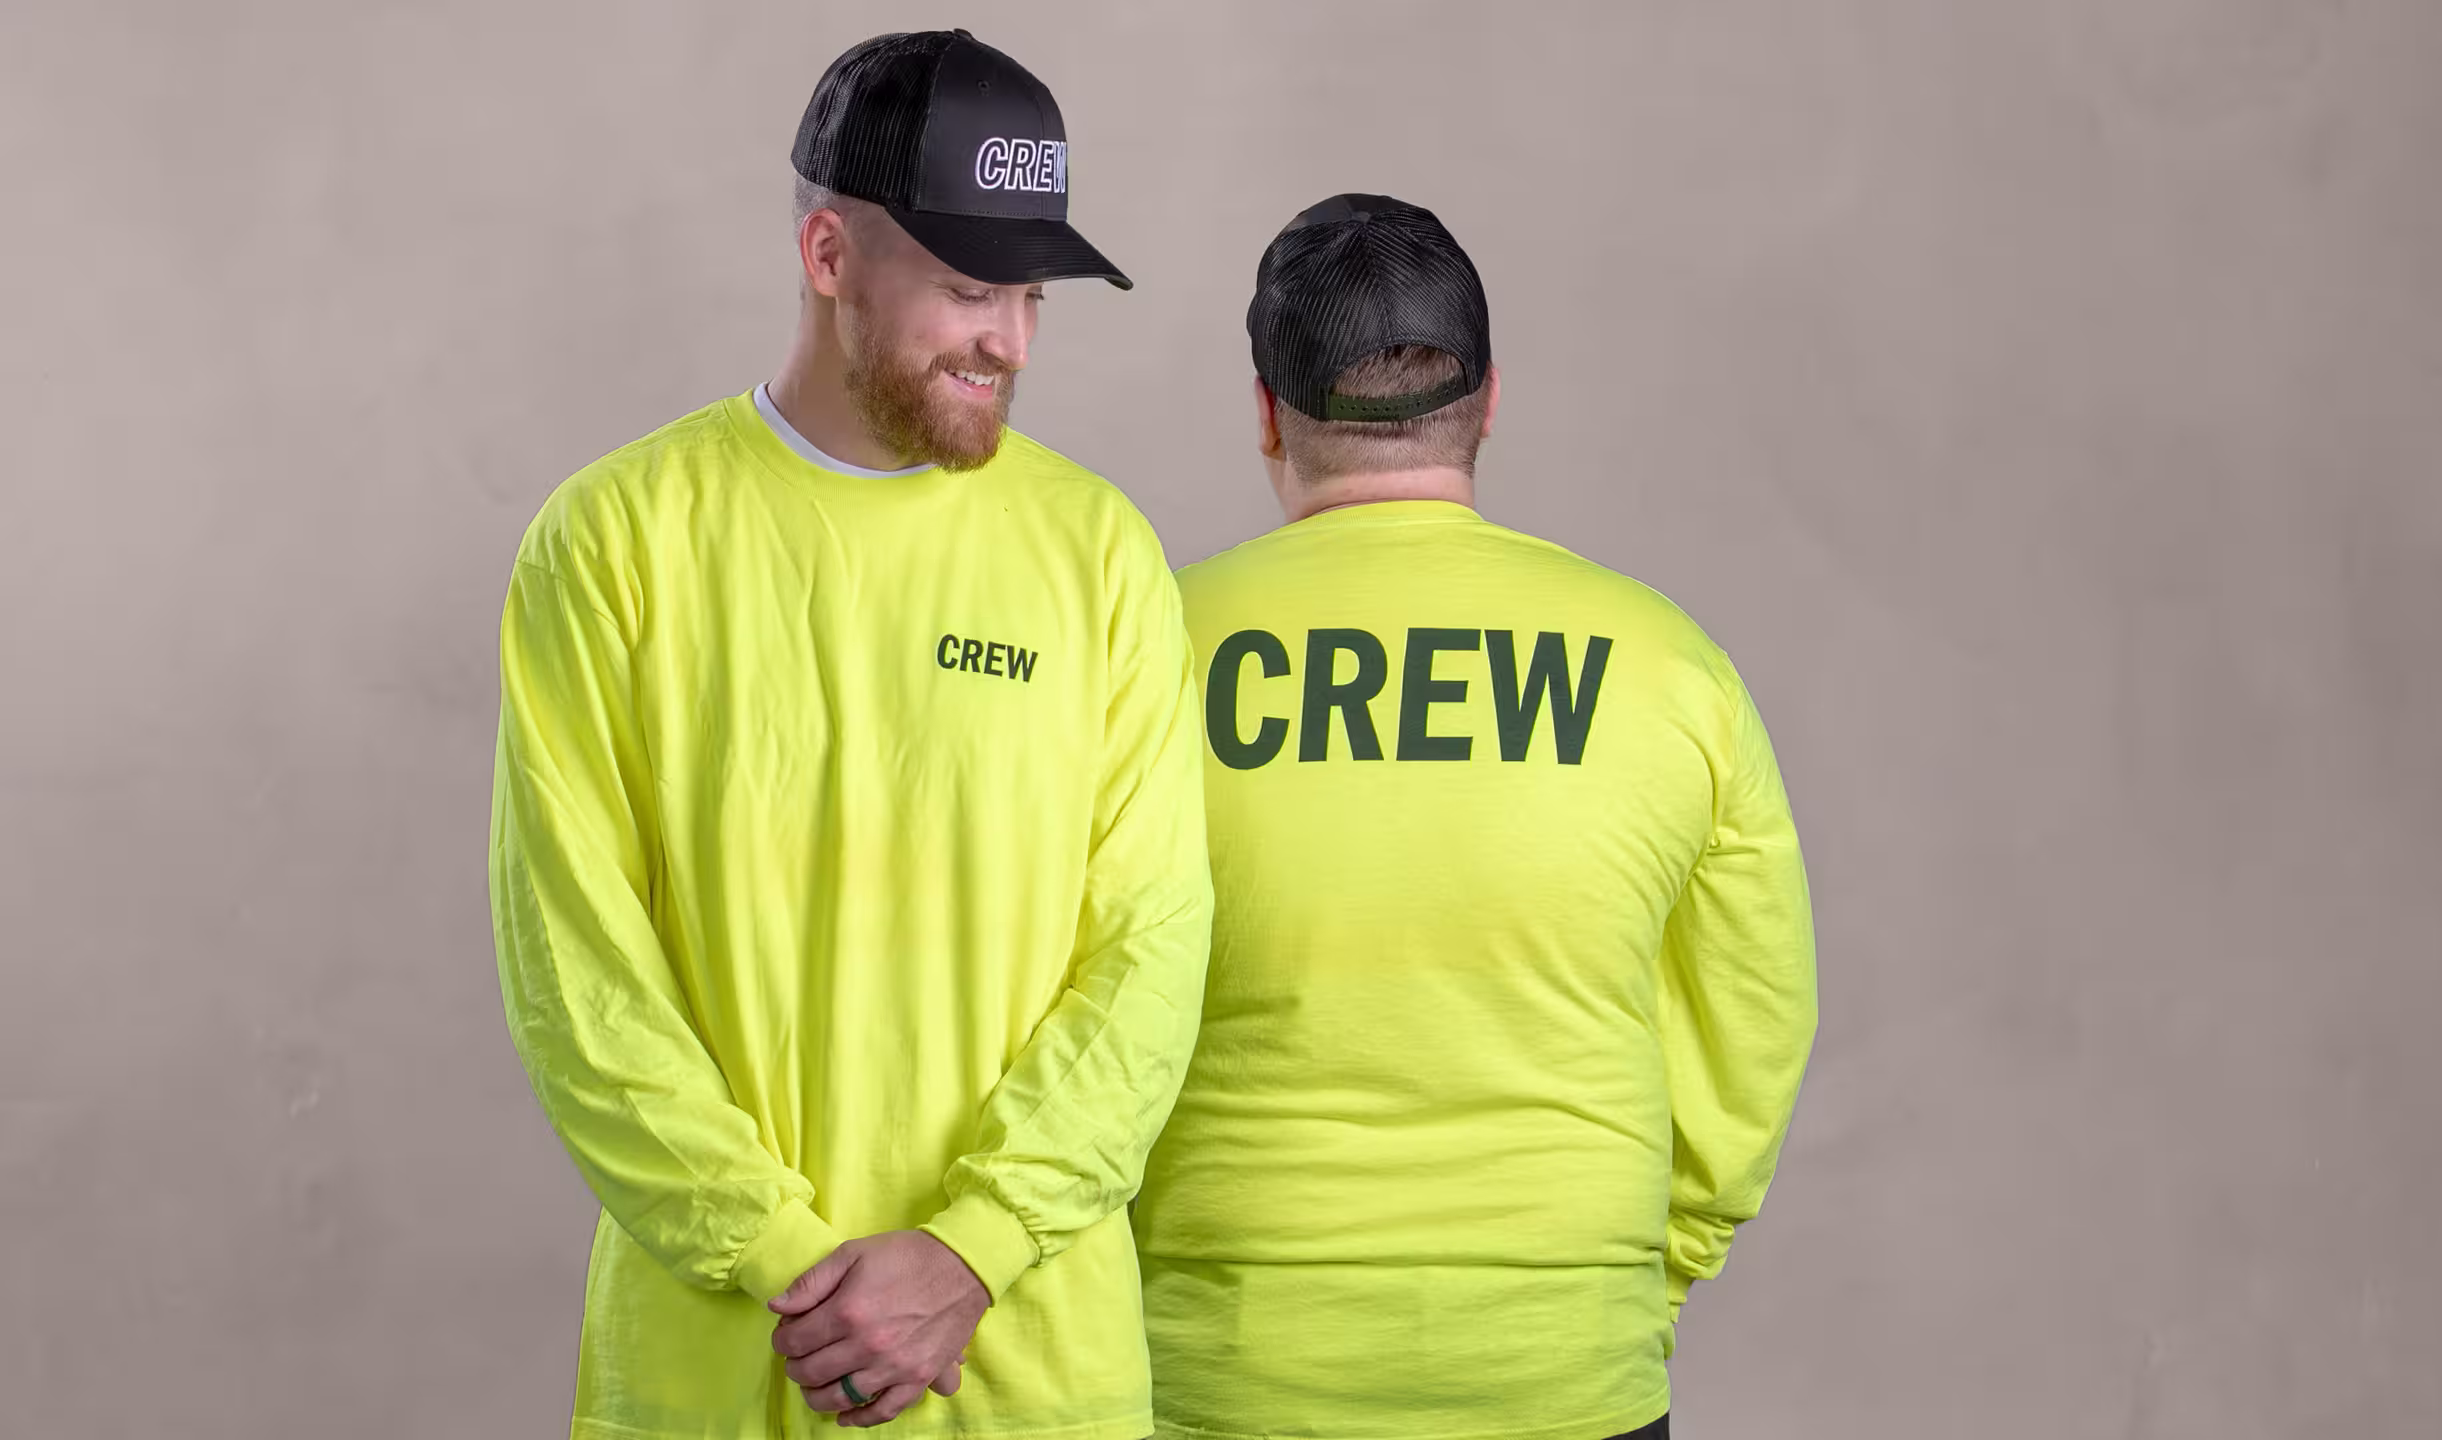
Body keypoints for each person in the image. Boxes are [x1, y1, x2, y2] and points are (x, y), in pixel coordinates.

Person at [486, 30, 1211, 1440]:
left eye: (1029, 295)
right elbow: (577, 975)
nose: (1007, 338)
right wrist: (790, 1270)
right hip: (715, 1375)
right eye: (965, 288)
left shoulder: (1101, 555)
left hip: (1028, 1376)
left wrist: (974, 1250)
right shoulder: (616, 545)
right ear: (828, 257)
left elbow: (1151, 954)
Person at [1131, 194, 1821, 1440]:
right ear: (1489, 401)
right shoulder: (1668, 664)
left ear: (1267, 413)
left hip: (1227, 1370)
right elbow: (1752, 1022)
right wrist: (1646, 1273)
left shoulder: (1142, 655)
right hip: (1562, 1367)